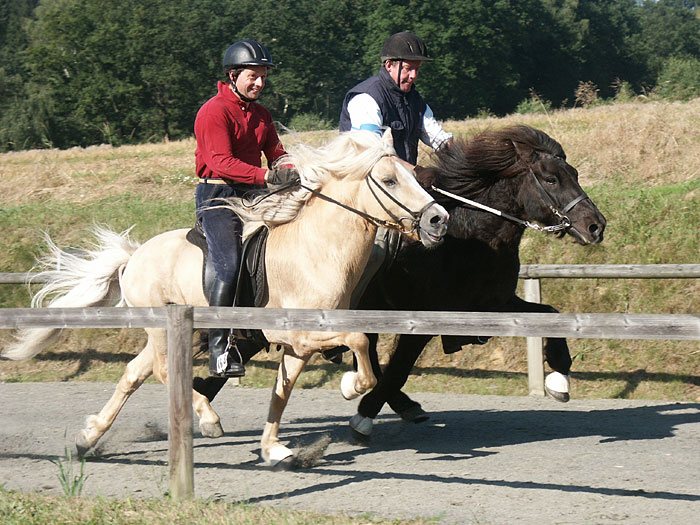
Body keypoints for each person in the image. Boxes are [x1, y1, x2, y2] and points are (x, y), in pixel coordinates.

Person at [194, 38, 298, 378]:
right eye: (253, 76)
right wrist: (267, 175)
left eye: (263, 76)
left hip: (254, 193)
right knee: (229, 262)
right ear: (233, 75)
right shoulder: (214, 111)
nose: (260, 83)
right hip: (219, 197)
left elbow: (276, 151)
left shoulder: (262, 114)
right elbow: (221, 162)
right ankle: (219, 349)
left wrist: (292, 167)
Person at [339, 30, 452, 165]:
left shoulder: (415, 101)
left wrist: (460, 158)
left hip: (399, 181)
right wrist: (411, 172)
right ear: (389, 66)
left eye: (417, 69)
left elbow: (440, 139)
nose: (414, 75)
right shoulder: (366, 99)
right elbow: (372, 152)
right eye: (408, 68)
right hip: (364, 179)